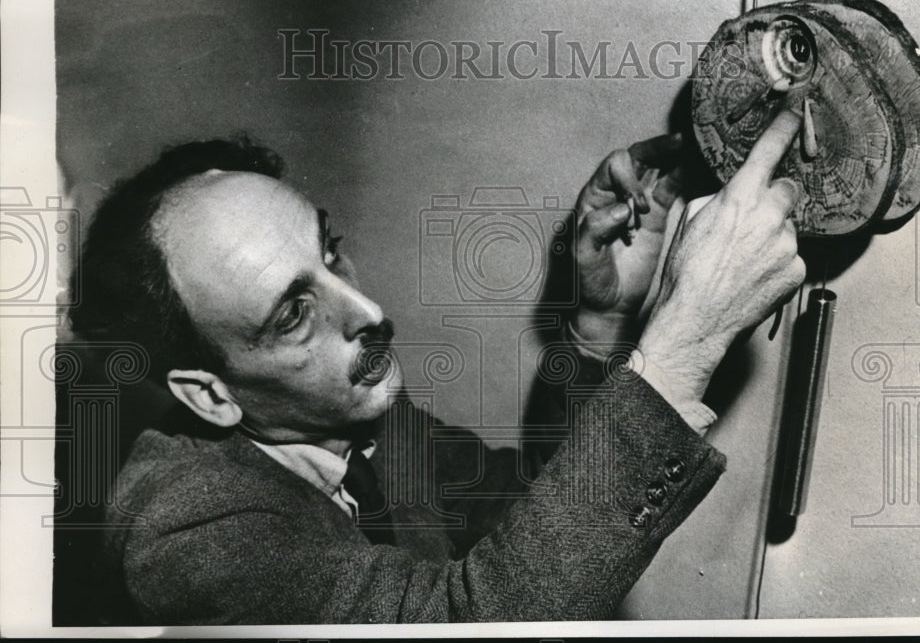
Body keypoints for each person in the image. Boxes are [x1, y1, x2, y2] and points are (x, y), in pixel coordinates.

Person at [68, 111, 805, 624]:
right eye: (293, 313)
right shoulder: (191, 535)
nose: (366, 308)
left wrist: (600, 318)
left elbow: (534, 519)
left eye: (329, 252)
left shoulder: (355, 419)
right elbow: (479, 620)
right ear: (211, 394)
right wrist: (687, 337)